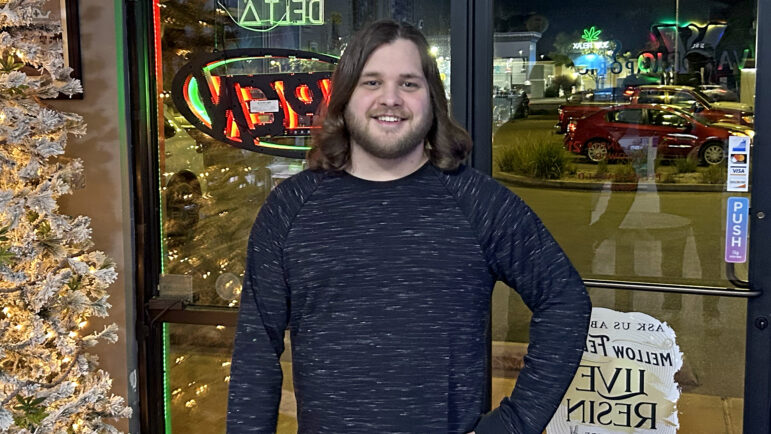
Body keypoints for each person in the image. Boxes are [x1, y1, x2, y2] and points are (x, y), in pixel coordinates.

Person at [226, 19, 591, 434]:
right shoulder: (289, 208)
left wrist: (514, 423)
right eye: (372, 83)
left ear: (432, 99)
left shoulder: (478, 203)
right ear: (344, 98)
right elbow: (256, 351)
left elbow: (564, 301)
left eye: (409, 84)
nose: (391, 99)